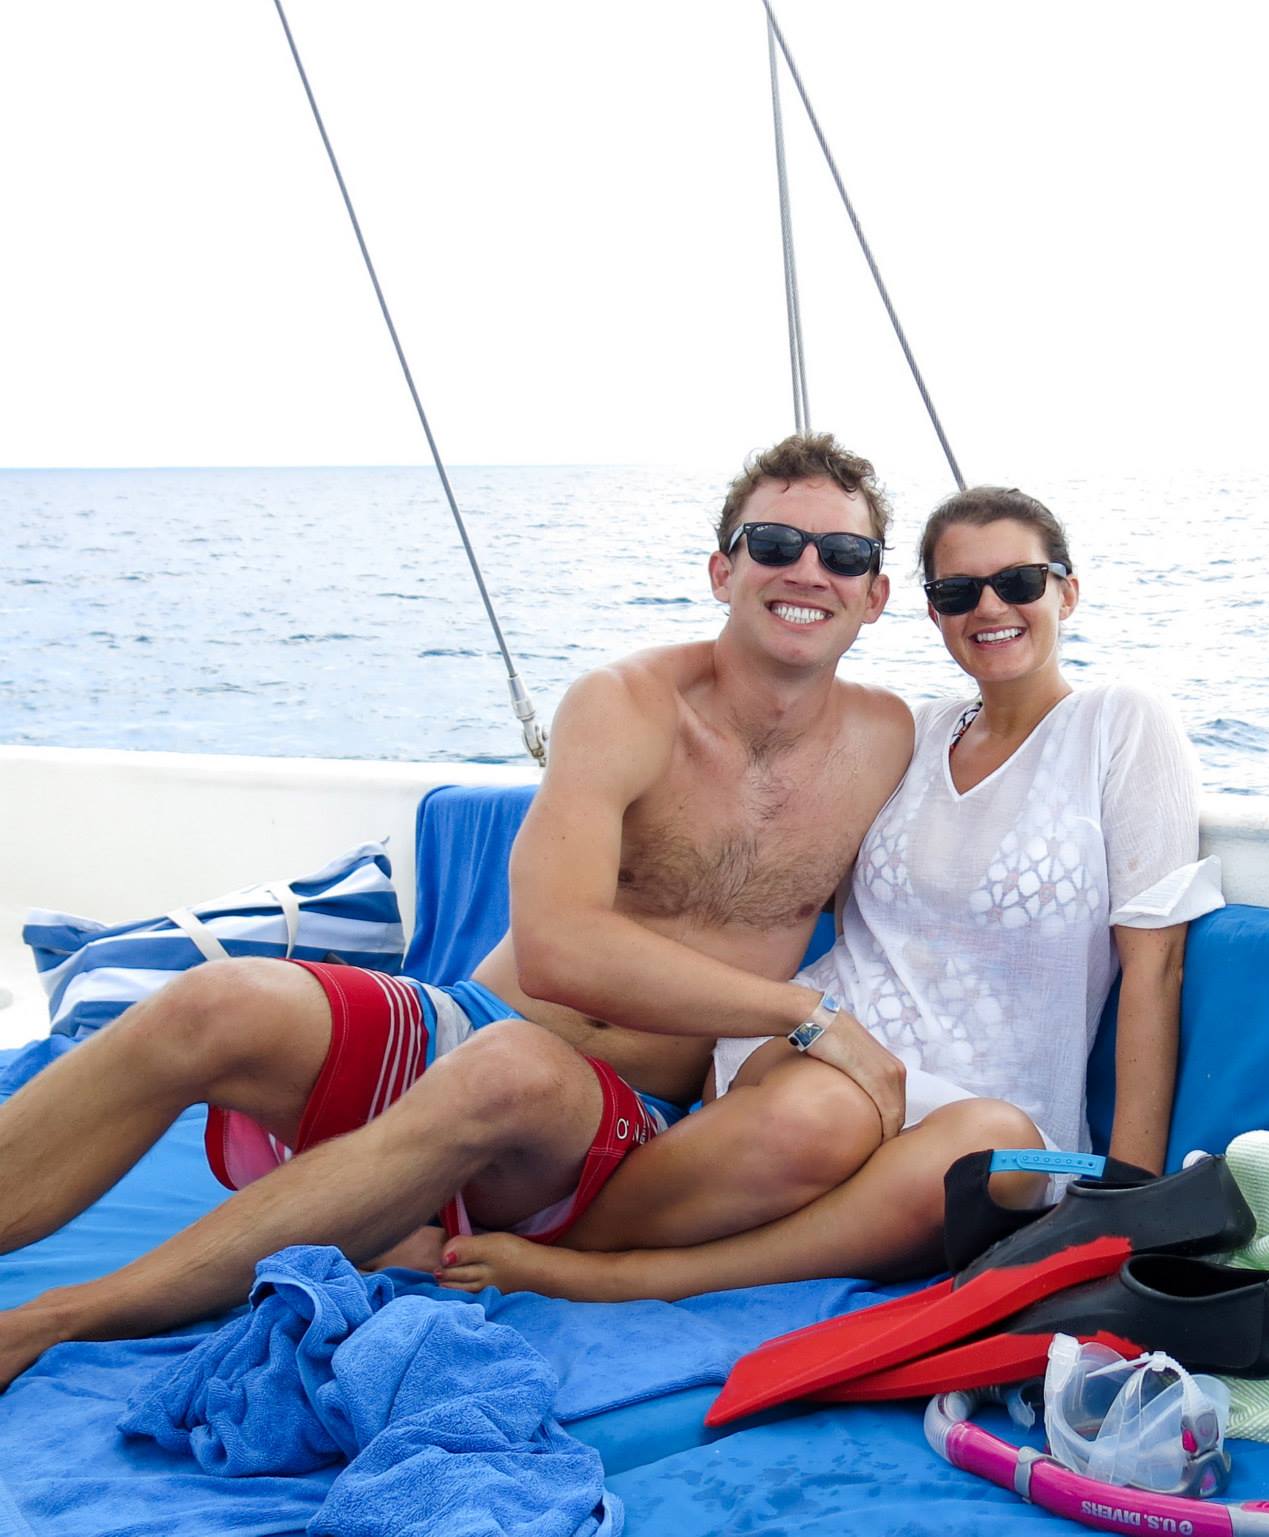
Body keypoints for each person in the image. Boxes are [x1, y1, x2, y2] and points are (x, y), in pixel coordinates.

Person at [0, 432, 1018, 1393]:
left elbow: (1016, 777)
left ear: (876, 595)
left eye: (843, 554)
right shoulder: (626, 704)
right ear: (723, 570)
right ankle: (389, 1209)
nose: (808, 570)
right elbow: (557, 947)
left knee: (513, 1070)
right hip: (468, 1025)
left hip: (610, 1120)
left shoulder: (891, 740)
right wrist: (802, 1013)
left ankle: (50, 1321)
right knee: (216, 1001)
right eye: (774, 543)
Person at [433, 485, 1222, 1302]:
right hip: (824, 1047)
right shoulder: (912, 735)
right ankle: (558, 1244)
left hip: (1001, 1109)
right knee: (826, 1108)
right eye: (958, 591)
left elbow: (1155, 969)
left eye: (1019, 581)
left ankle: (610, 1268)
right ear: (931, 610)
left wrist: (1131, 1195)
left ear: (1067, 590)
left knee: (993, 1148)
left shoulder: (1121, 724)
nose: (990, 607)